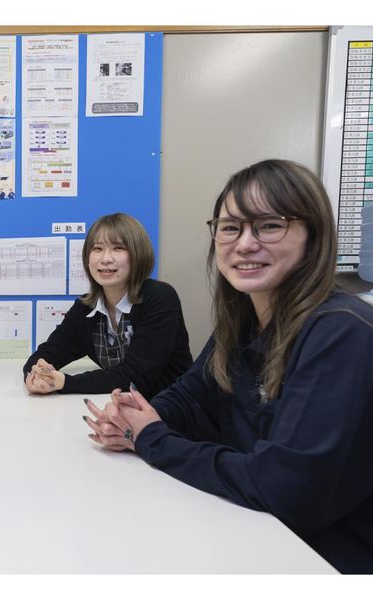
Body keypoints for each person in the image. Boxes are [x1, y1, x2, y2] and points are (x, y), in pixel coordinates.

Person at [85, 160, 373, 574]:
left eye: (269, 226)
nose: (245, 244)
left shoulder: (341, 331)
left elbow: (285, 487)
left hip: (324, 562)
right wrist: (133, 416)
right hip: (253, 533)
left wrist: (150, 437)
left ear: (314, 236)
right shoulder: (243, 322)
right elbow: (190, 396)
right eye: (230, 228)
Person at [24, 213, 192, 398]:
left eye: (118, 248)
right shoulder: (86, 307)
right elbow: (49, 352)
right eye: (97, 249)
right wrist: (36, 374)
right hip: (118, 407)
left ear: (138, 254)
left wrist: (64, 382)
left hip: (170, 409)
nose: (105, 258)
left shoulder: (160, 298)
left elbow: (135, 376)